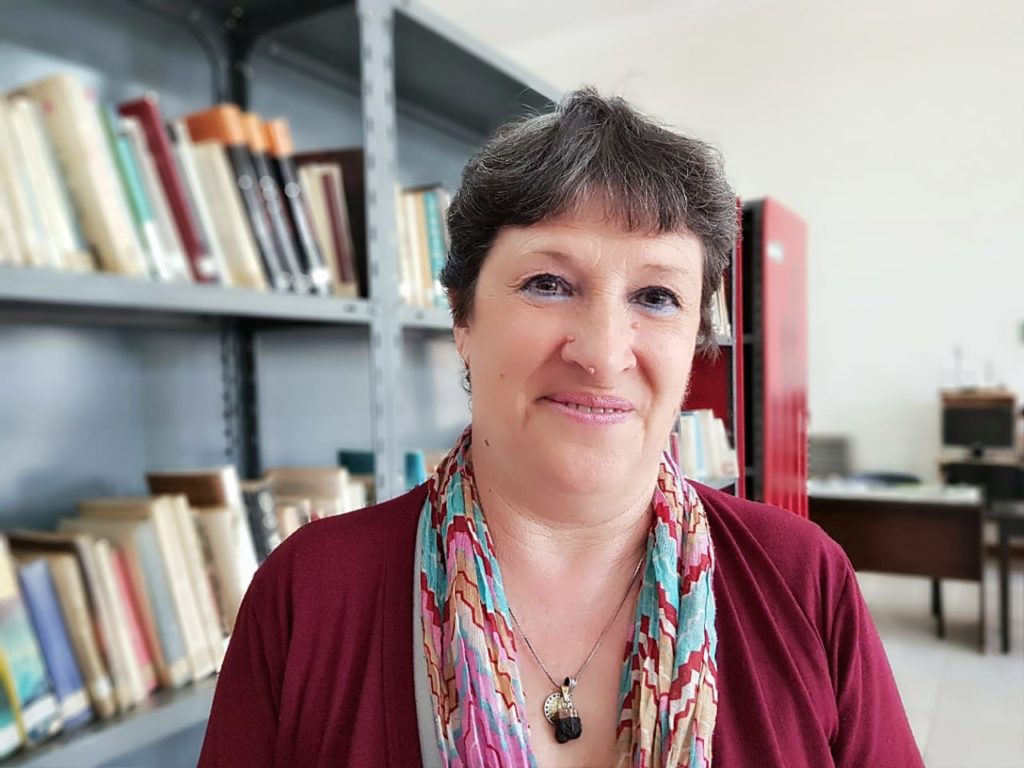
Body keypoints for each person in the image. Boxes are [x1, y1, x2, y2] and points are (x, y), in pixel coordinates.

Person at [198, 88, 924, 768]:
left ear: (695, 341)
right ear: (462, 317)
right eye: (548, 284)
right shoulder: (309, 594)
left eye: (656, 296)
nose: (603, 354)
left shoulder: (803, 581)